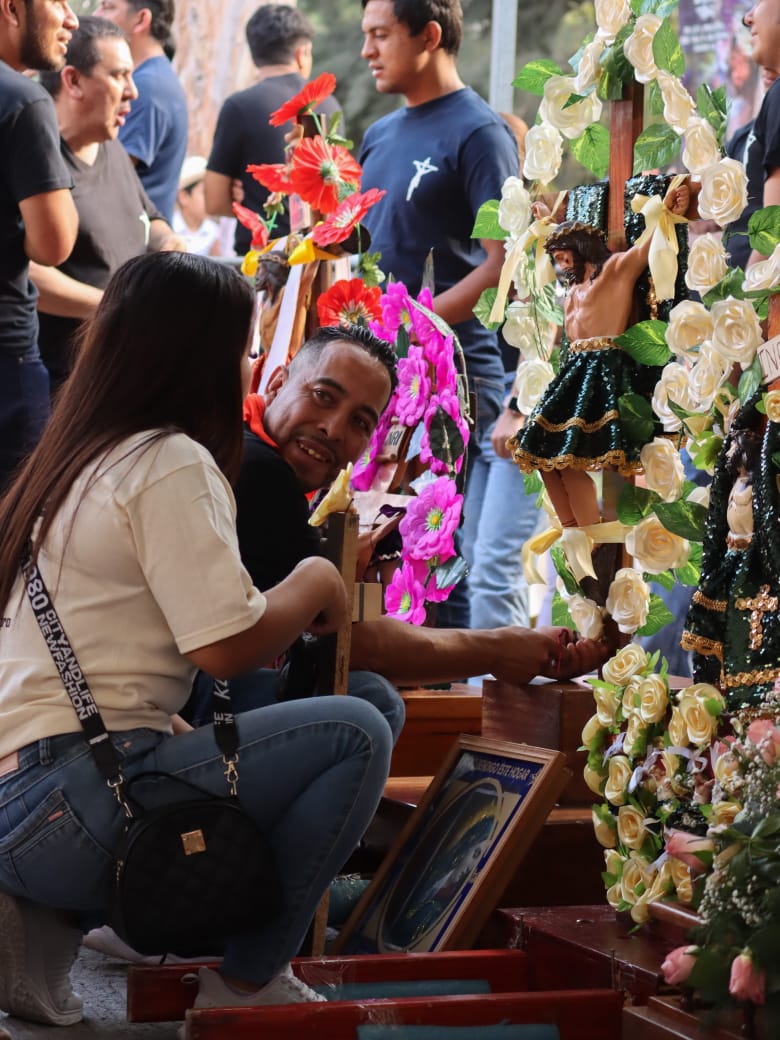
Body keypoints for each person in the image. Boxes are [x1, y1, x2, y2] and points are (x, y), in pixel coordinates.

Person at [0, 252, 393, 1026]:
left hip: (20, 803)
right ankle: (246, 984)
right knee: (358, 728)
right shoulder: (170, 461)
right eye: (245, 347)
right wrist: (318, 579)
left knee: (243, 734)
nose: (250, 364)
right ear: (201, 354)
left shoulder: (72, 459)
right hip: (73, 809)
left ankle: (45, 922)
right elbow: (227, 646)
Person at [224, 324, 609, 697]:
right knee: (371, 707)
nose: (334, 429)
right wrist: (501, 649)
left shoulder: (247, 452)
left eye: (360, 422)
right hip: (202, 711)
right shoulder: (261, 472)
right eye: (323, 396)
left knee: (371, 693)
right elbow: (354, 645)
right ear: (276, 384)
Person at [358, 0, 519, 628]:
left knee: (439, 562)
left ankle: (447, 687)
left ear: (429, 35)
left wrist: (410, 326)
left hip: (456, 379)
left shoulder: (480, 134)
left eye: (380, 35)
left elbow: (502, 265)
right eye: (365, 36)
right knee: (381, 555)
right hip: (383, 373)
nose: (368, 50)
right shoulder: (380, 134)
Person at [509, 182, 691, 537]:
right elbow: (560, 242)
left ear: (582, 250)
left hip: (601, 372)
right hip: (574, 371)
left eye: (565, 257)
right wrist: (549, 223)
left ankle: (589, 532)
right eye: (557, 259)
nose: (561, 265)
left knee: (564, 456)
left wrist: (667, 208)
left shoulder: (615, 271)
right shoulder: (574, 287)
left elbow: (644, 249)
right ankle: (573, 531)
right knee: (539, 449)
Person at [31, 16, 185, 396]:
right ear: (72, 81)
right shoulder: (36, 156)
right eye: (118, 76)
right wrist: (117, 307)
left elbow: (149, 217)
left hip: (121, 377)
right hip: (59, 386)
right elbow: (26, 273)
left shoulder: (112, 146)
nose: (133, 91)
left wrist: (169, 245)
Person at [0, 0, 79, 491]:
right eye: (58, 1)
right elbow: (53, 244)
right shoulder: (21, 100)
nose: (71, 18)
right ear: (11, 8)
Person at [205, 4, 342, 256]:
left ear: (255, 54)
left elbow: (213, 201)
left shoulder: (239, 106)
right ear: (301, 53)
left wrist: (244, 196)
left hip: (262, 260)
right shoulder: (328, 105)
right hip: (318, 258)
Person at [93, 0, 187, 223]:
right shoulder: (152, 79)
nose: (96, 15)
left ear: (141, 20)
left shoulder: (147, 87)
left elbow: (107, 177)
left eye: (108, 7)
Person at [173, 155, 234, 257]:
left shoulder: (215, 233)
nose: (211, 199)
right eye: (205, 193)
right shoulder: (169, 230)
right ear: (184, 197)